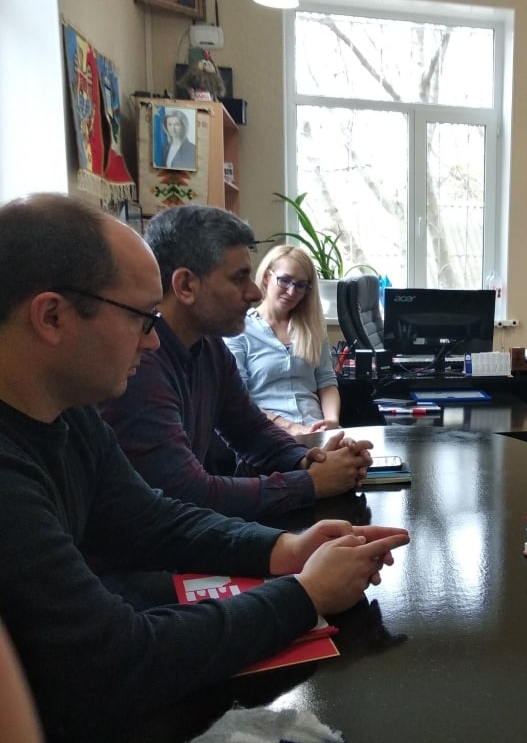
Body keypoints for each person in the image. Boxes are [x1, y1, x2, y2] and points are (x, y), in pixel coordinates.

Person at [0, 193, 410, 742]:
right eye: (141, 318)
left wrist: (283, 549)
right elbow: (115, 659)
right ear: (52, 316)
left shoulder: (69, 415)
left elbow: (153, 518)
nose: (154, 340)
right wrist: (305, 594)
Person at [98, 205, 370, 521]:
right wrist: (310, 483)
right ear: (185, 286)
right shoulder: (140, 364)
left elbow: (251, 431)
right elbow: (186, 493)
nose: (254, 293)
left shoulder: (210, 346)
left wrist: (309, 460)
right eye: (239, 278)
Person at [225, 245, 340, 436]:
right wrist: (291, 428)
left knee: (364, 453)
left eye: (300, 285)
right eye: (285, 280)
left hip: (316, 430)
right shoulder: (239, 329)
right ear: (266, 277)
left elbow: (326, 382)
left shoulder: (313, 328)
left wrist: (331, 422)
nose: (292, 292)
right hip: (267, 435)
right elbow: (238, 399)